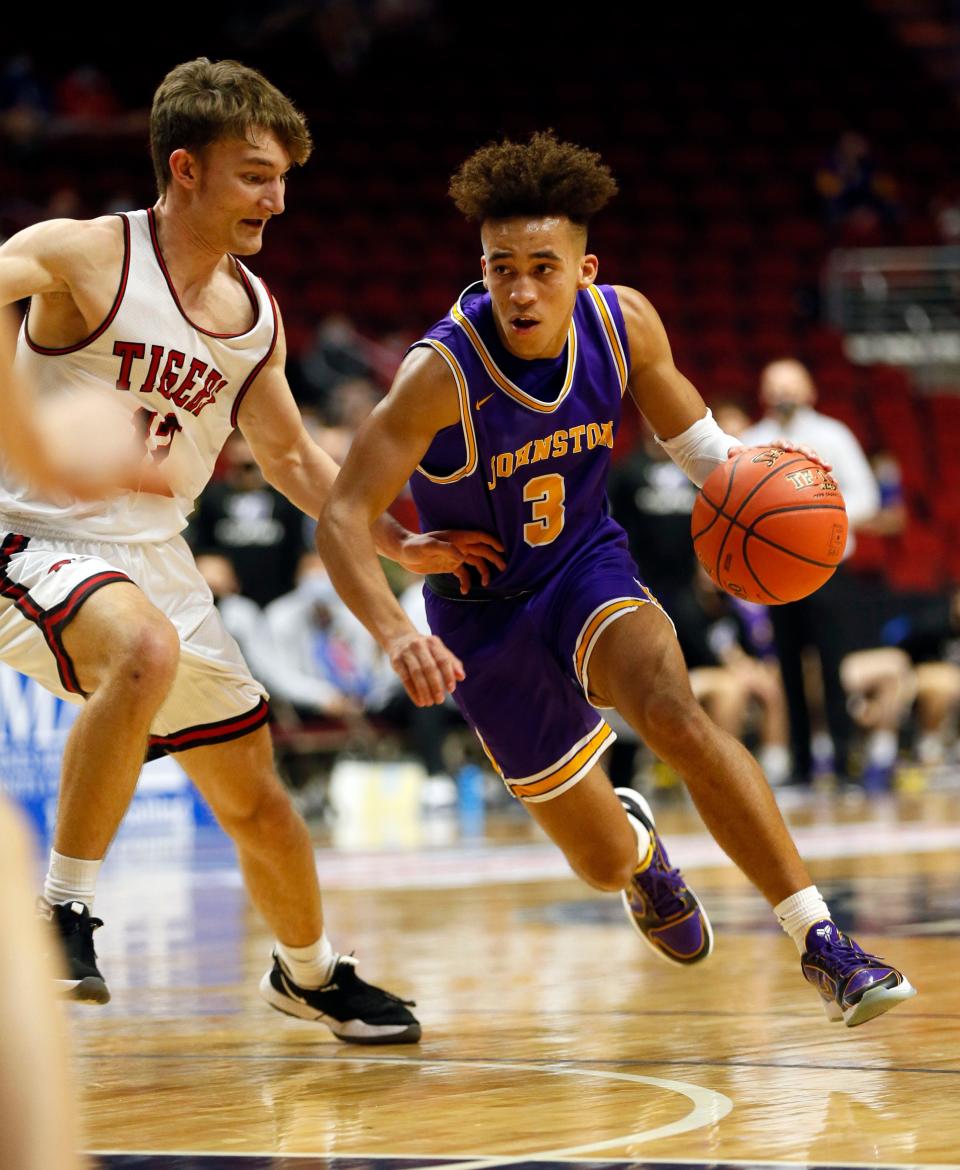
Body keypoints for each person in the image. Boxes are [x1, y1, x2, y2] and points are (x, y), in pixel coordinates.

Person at [318, 130, 914, 1027]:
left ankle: (823, 942)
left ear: (584, 269)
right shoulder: (437, 375)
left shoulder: (623, 321)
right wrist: (401, 596)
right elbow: (339, 516)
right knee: (598, 861)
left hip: (583, 565)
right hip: (482, 614)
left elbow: (706, 453)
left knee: (677, 713)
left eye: (542, 267)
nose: (519, 289)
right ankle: (640, 855)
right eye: (500, 266)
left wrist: (776, 507)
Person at [0, 57, 504, 1045]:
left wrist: (403, 542)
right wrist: (29, 433)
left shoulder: (255, 315)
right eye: (254, 174)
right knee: (140, 652)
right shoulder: (87, 255)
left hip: (156, 558)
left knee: (260, 800)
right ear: (184, 169)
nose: (276, 199)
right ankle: (61, 909)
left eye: (283, 178)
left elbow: (292, 461)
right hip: (33, 534)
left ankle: (308, 974)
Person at [741, 359, 881, 785]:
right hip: (775, 574)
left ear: (810, 390)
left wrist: (812, 517)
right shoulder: (750, 442)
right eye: (775, 385)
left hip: (828, 568)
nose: (784, 393)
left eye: (791, 385)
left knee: (834, 666)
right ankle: (801, 765)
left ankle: (844, 760)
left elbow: (868, 498)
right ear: (763, 392)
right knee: (788, 669)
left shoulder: (833, 435)